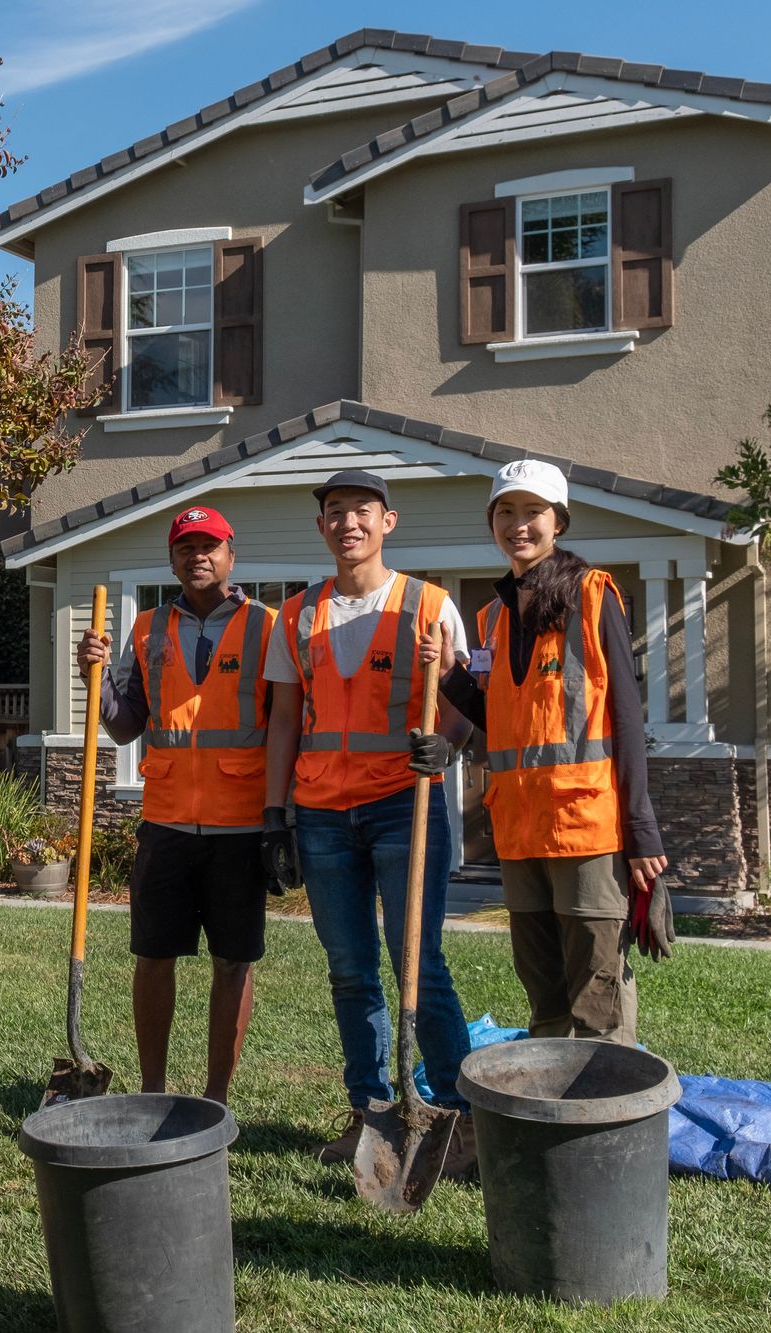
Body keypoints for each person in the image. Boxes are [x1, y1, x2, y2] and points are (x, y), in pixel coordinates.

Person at [261, 469, 478, 1175]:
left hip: (403, 805)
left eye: (362, 511)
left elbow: (467, 701)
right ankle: (370, 1110)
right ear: (321, 526)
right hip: (323, 813)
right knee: (350, 968)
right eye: (333, 511)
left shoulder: (432, 606)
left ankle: (455, 1113)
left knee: (419, 962)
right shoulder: (295, 616)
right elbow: (287, 720)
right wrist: (275, 816)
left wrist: (448, 741)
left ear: (389, 521)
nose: (347, 522)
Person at [425, 459, 671, 1044]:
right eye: (505, 512)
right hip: (519, 830)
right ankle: (550, 1111)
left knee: (597, 990)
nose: (518, 525)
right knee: (544, 990)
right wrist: (448, 675)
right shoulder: (491, 617)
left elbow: (627, 716)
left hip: (586, 826)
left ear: (557, 521)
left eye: (532, 512)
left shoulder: (591, 595)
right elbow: (503, 722)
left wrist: (642, 829)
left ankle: (607, 1112)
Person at [76, 506, 277, 1106]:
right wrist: (95, 680)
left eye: (209, 546)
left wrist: (281, 816)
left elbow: (288, 721)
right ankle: (154, 1090)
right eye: (186, 548)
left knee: (234, 962)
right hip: (164, 823)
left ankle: (216, 1097)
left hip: (239, 826)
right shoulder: (146, 629)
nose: (198, 557)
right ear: (172, 559)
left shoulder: (268, 627)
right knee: (153, 956)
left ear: (231, 554)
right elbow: (125, 724)